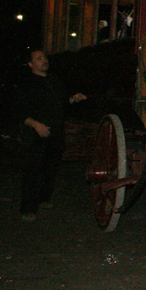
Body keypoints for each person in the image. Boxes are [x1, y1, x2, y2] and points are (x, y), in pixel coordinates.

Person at [13, 49, 86, 221]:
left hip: (55, 132)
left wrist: (73, 99)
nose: (44, 60)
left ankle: (44, 198)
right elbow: (18, 111)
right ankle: (28, 209)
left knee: (50, 169)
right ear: (31, 64)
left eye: (44, 57)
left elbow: (61, 103)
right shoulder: (26, 84)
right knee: (33, 170)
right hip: (35, 133)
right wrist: (35, 124)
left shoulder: (54, 80)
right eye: (39, 59)